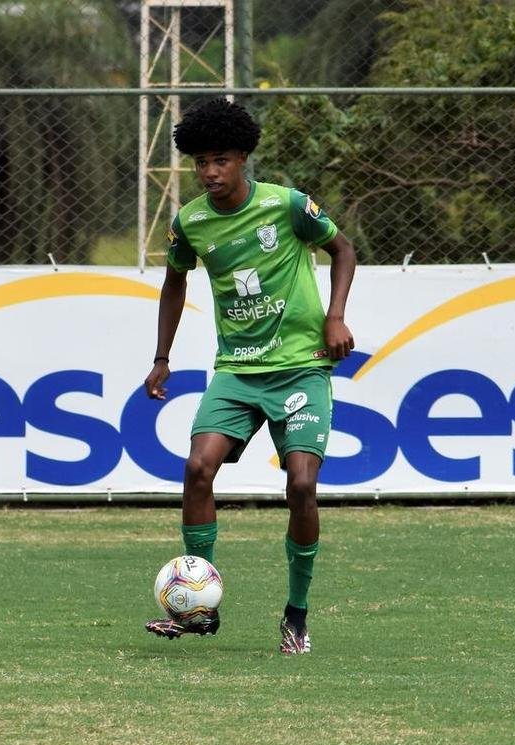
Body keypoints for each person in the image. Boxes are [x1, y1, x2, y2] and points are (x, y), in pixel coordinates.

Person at [142, 98, 357, 654]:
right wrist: (162, 357)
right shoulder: (189, 221)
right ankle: (199, 608)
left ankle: (296, 614)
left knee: (302, 484)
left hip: (300, 369)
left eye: (220, 161)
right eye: (200, 163)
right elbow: (174, 284)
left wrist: (335, 316)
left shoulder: (287, 206)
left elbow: (343, 249)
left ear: (242, 159)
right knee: (197, 468)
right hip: (236, 372)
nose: (210, 173)